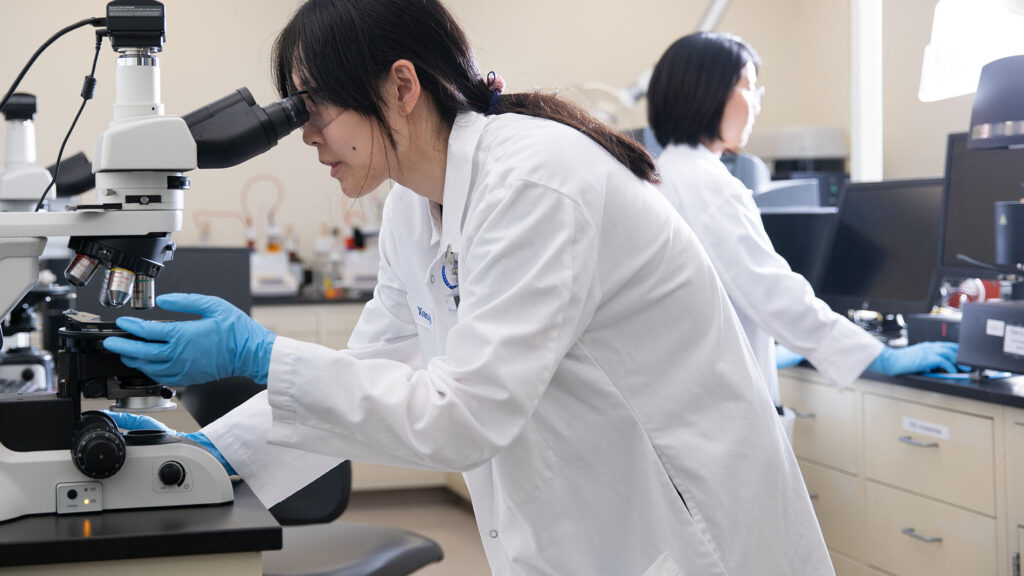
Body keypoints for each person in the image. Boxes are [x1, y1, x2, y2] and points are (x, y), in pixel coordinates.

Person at [103, 2, 834, 574]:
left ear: (400, 84)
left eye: (312, 105)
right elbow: (372, 378)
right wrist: (209, 457)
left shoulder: (538, 182)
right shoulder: (410, 207)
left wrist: (260, 354)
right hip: (592, 524)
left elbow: (463, 417)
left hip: (696, 536)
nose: (305, 134)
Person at [646, 32, 959, 423]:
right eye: (748, 87)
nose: (757, 103)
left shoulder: (664, 175)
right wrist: (878, 355)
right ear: (707, 93)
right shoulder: (709, 185)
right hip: (716, 415)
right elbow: (773, 292)